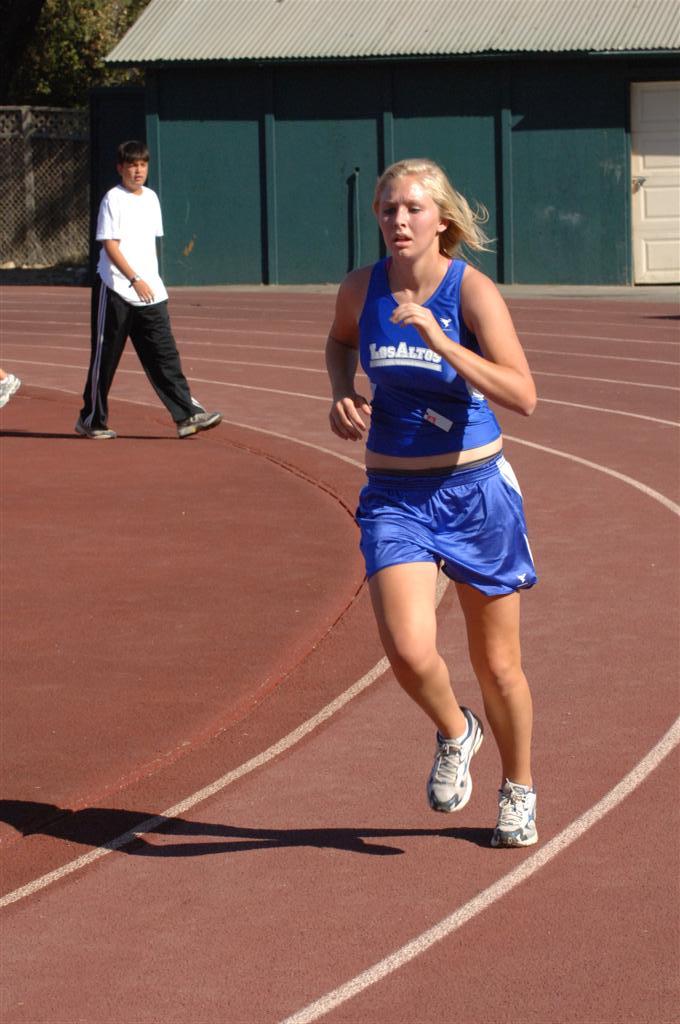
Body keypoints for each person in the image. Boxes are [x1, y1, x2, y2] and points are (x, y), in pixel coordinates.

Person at [325, 158, 539, 847]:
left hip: (475, 493)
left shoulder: (470, 291)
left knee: (497, 665)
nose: (399, 220)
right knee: (409, 651)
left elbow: (523, 394)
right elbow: (340, 341)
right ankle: (456, 730)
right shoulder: (361, 288)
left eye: (413, 208)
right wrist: (342, 391)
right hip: (395, 495)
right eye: (388, 208)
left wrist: (443, 341)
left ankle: (518, 788)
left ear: (441, 219)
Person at [77, 140, 222, 440]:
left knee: (164, 355)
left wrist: (151, 281)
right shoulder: (113, 199)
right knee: (105, 358)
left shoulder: (152, 199)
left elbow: (149, 244)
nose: (138, 170)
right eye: (132, 165)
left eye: (143, 165)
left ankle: (187, 414)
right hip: (115, 287)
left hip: (150, 292)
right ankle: (91, 420)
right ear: (120, 168)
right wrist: (134, 279)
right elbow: (110, 245)